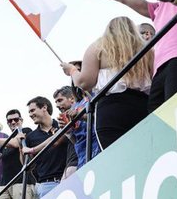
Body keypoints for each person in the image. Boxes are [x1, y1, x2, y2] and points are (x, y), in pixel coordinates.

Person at [61, 17, 153, 150]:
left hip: (111, 109)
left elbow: (84, 83)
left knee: (116, 157)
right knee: (146, 151)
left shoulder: (98, 47)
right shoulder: (147, 49)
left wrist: (72, 70)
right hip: (143, 105)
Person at [23, 96, 68, 199]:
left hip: (69, 178)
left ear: (44, 107)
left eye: (32, 110)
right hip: (46, 185)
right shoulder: (30, 137)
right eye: (29, 112)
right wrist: (22, 148)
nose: (30, 114)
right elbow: (27, 166)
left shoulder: (62, 124)